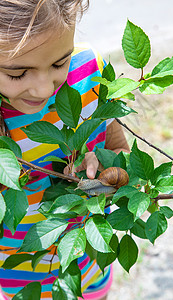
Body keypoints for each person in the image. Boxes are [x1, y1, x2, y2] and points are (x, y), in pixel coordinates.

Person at [0, 1, 130, 299]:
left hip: (88, 256)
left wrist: (106, 179)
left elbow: (124, 167)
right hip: (21, 270)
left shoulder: (87, 73)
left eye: (60, 62)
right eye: (18, 74)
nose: (45, 90)